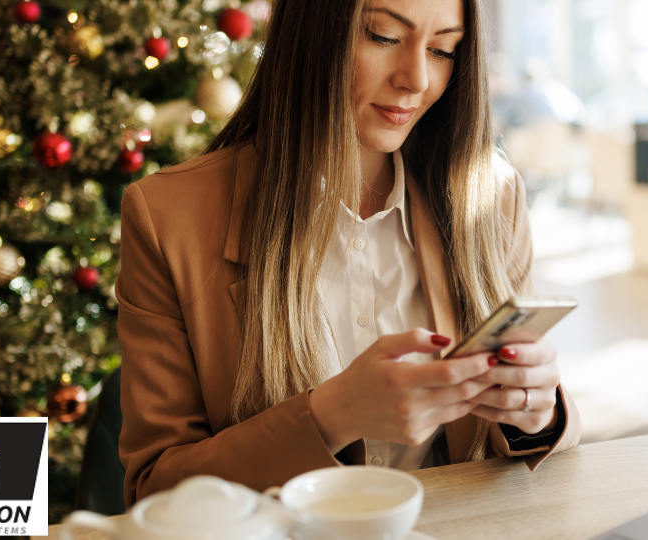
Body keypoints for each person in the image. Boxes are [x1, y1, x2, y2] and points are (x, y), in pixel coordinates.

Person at [116, 0, 581, 505]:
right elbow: (156, 489)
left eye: (443, 48)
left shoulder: (490, 196)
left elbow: (532, 452)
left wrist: (537, 413)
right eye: (382, 36)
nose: (416, 79)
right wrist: (330, 416)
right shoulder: (169, 218)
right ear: (311, 34)